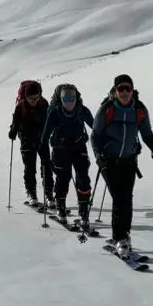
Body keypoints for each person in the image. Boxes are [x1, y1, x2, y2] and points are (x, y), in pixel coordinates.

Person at [91, 74, 153, 257]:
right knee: (119, 197)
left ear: (132, 90)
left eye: (127, 88)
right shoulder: (107, 110)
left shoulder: (139, 110)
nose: (124, 92)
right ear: (115, 91)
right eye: (121, 89)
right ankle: (119, 238)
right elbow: (95, 135)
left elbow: (147, 134)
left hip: (129, 161)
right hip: (109, 161)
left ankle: (124, 235)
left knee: (127, 199)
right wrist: (98, 156)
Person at [41, 83, 94, 228]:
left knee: (83, 178)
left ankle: (83, 212)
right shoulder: (54, 113)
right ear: (61, 100)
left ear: (77, 98)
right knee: (63, 178)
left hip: (78, 148)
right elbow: (45, 136)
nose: (70, 102)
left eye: (72, 99)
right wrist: (44, 156)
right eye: (66, 99)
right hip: (60, 150)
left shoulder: (81, 110)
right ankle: (61, 209)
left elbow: (95, 127)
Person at [7, 79, 53, 208]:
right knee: (30, 167)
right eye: (31, 99)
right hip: (27, 139)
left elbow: (49, 121)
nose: (34, 101)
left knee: (47, 165)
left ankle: (49, 193)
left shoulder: (44, 104)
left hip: (42, 138)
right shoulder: (20, 106)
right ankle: (32, 193)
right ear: (26, 97)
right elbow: (15, 122)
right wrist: (13, 131)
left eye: (36, 98)